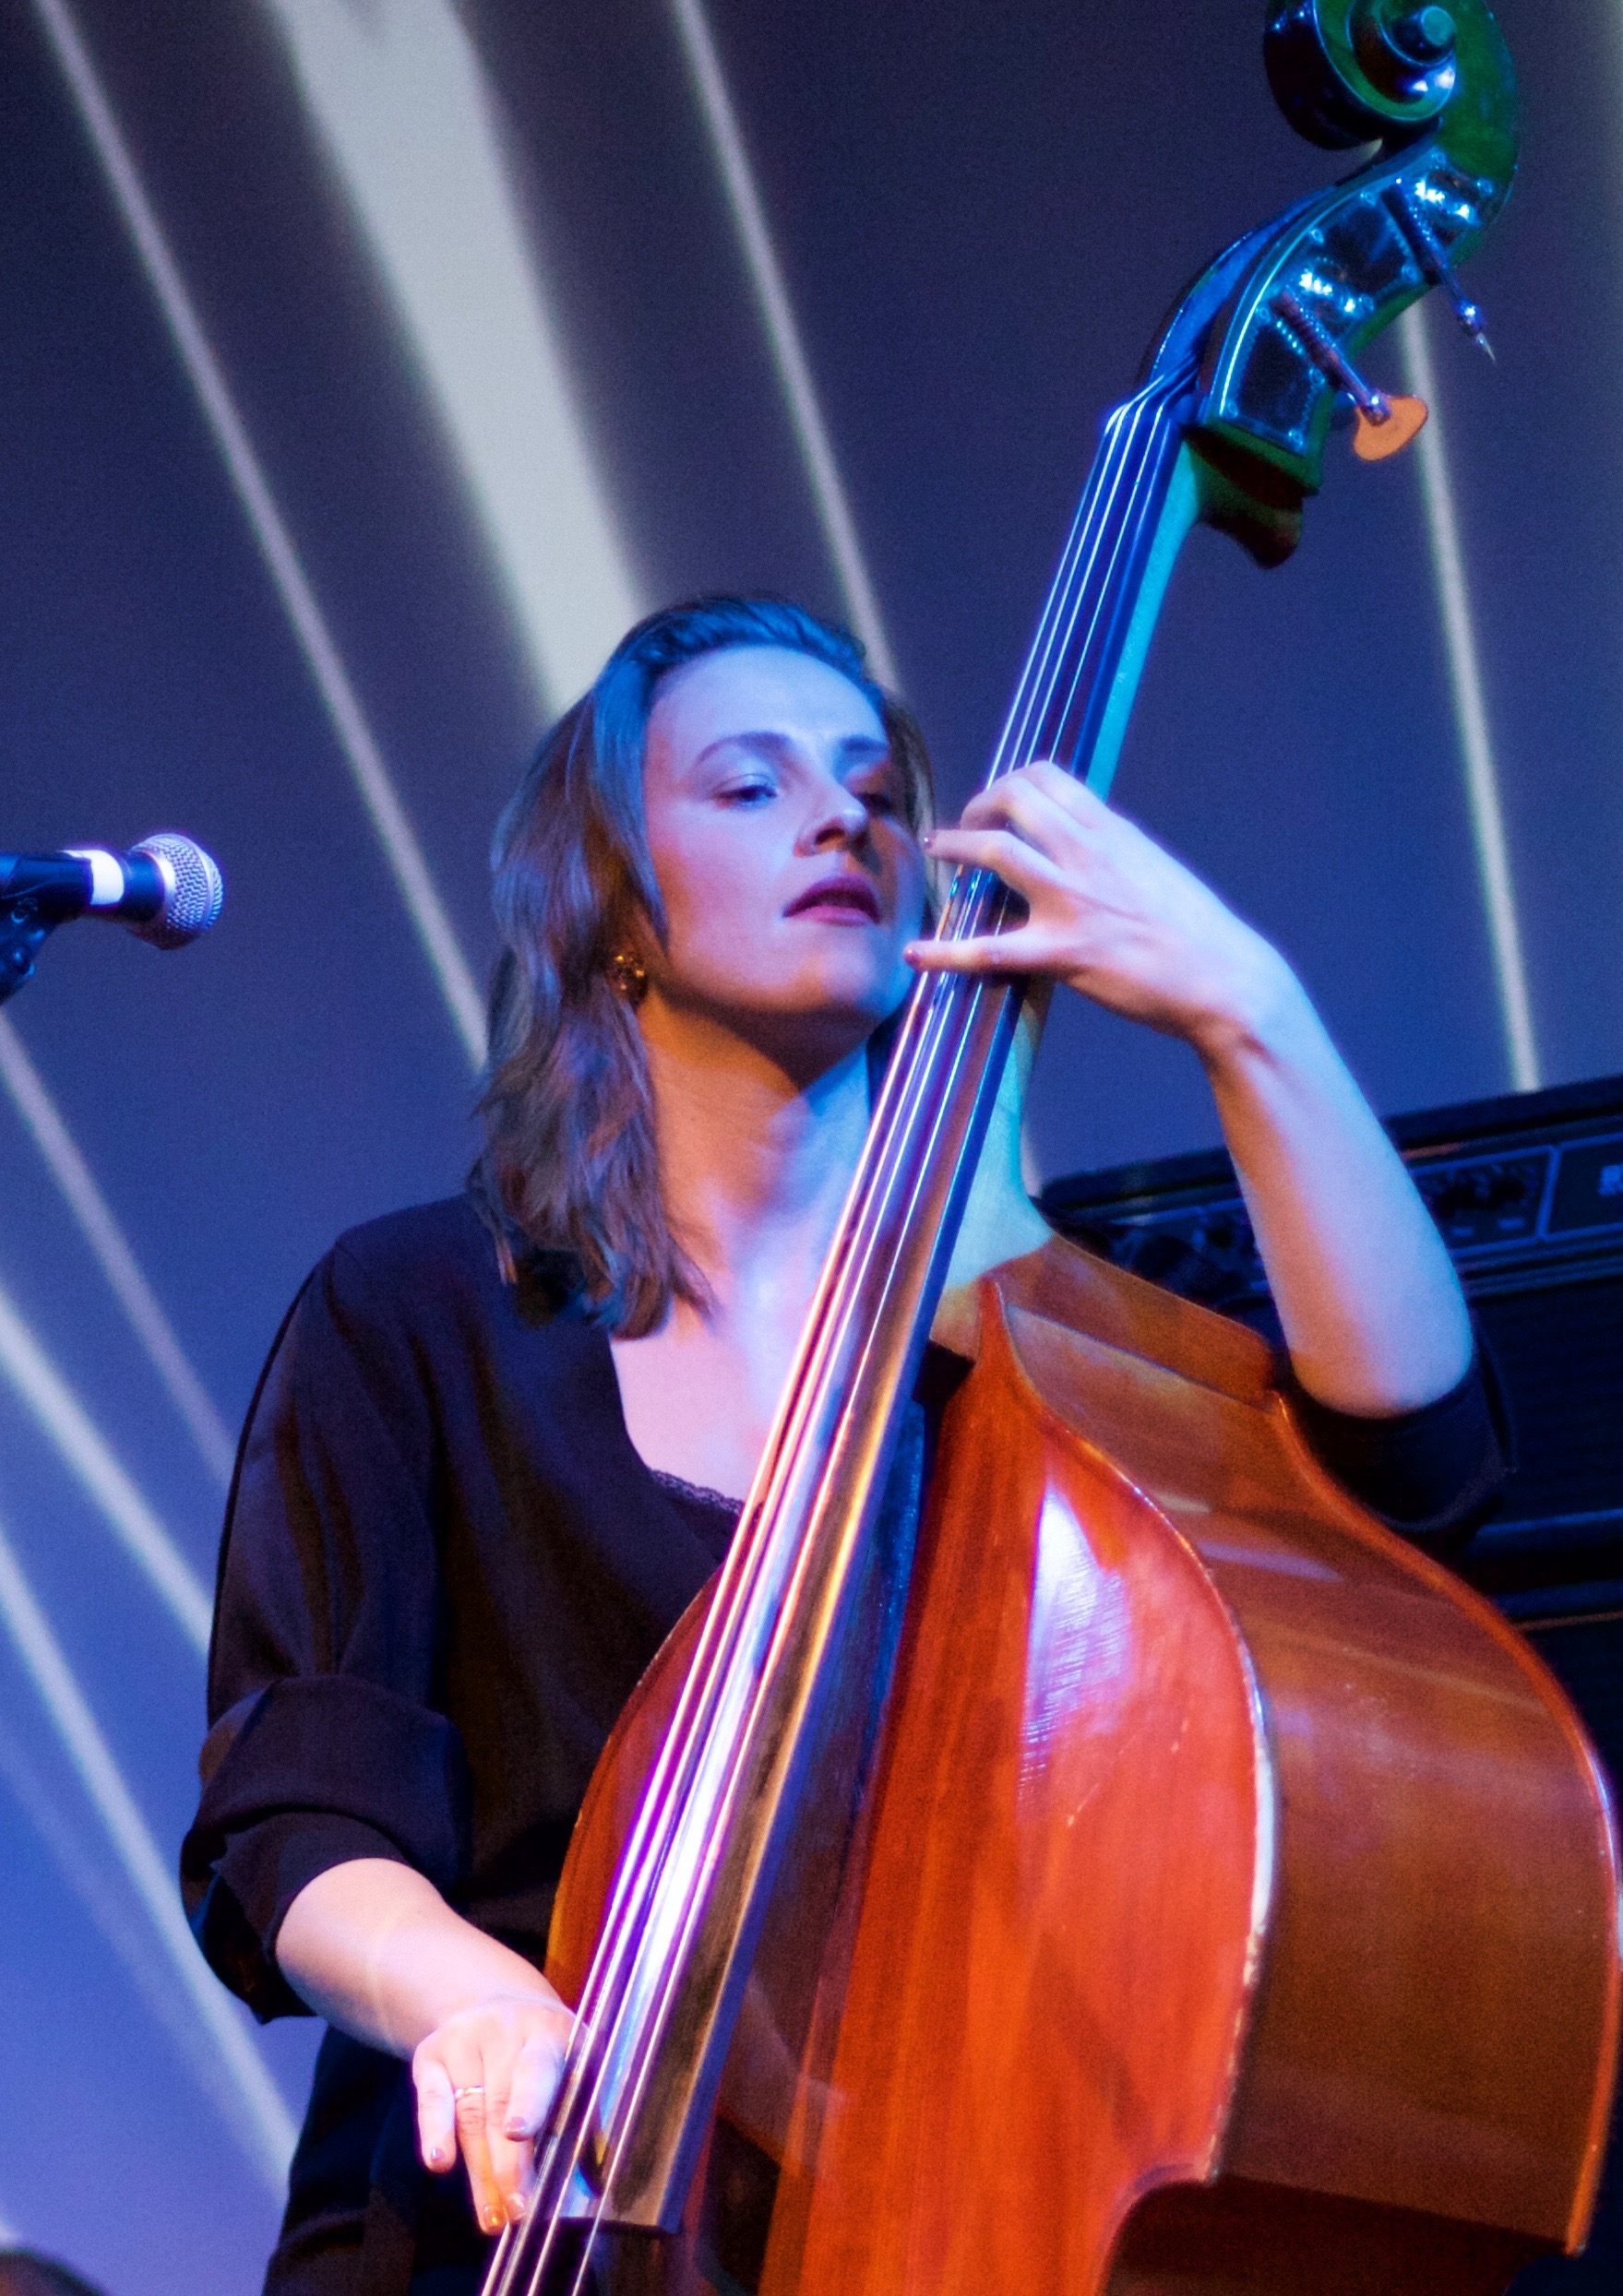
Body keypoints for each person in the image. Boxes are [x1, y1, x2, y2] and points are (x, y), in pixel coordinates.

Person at [183, 597, 1505, 2292]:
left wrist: (1249, 1010)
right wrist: (483, 2000)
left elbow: (1412, 1494)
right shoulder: (424, 1310)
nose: (841, 821)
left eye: (878, 792)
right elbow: (297, 1816)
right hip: (506, 2226)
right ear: (612, 902)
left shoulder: (1067, 1358)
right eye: (752, 786)